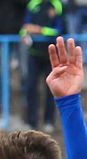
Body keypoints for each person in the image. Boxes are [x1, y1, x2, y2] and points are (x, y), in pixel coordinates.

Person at [23, 0, 63, 130]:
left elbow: (58, 30)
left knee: (51, 89)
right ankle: (31, 121)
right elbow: (25, 27)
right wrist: (24, 34)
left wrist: (41, 30)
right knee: (31, 87)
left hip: (51, 56)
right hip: (34, 54)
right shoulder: (33, 4)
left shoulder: (57, 5)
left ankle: (49, 121)